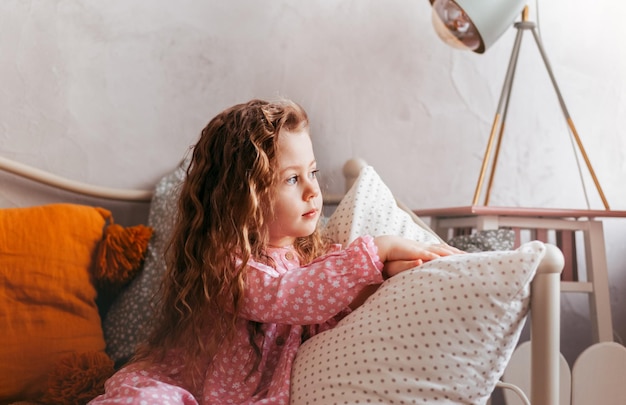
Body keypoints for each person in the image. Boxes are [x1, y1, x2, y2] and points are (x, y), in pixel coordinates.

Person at [90, 99, 462, 405]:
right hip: (174, 386)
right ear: (242, 196)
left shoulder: (315, 258)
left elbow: (333, 299)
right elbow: (286, 295)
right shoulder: (229, 262)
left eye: (313, 173)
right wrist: (377, 251)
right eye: (292, 179)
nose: (312, 191)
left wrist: (396, 267)